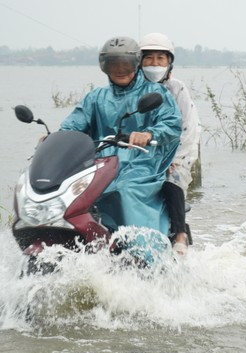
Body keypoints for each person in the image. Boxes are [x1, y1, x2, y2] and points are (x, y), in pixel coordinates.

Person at [60, 36, 182, 234]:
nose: (120, 69)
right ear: (104, 67)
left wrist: (149, 134)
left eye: (125, 64)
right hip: (99, 165)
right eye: (112, 64)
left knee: (124, 189)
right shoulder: (96, 97)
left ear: (135, 64)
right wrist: (56, 139)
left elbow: (172, 124)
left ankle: (144, 245)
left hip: (142, 164)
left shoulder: (156, 92)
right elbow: (73, 124)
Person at [139, 32, 201, 255]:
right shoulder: (134, 89)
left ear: (169, 63)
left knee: (170, 182)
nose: (154, 64)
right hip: (139, 156)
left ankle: (180, 234)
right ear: (139, 62)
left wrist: (173, 159)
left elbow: (189, 128)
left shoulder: (177, 89)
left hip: (174, 157)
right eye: (149, 58)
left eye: (160, 59)